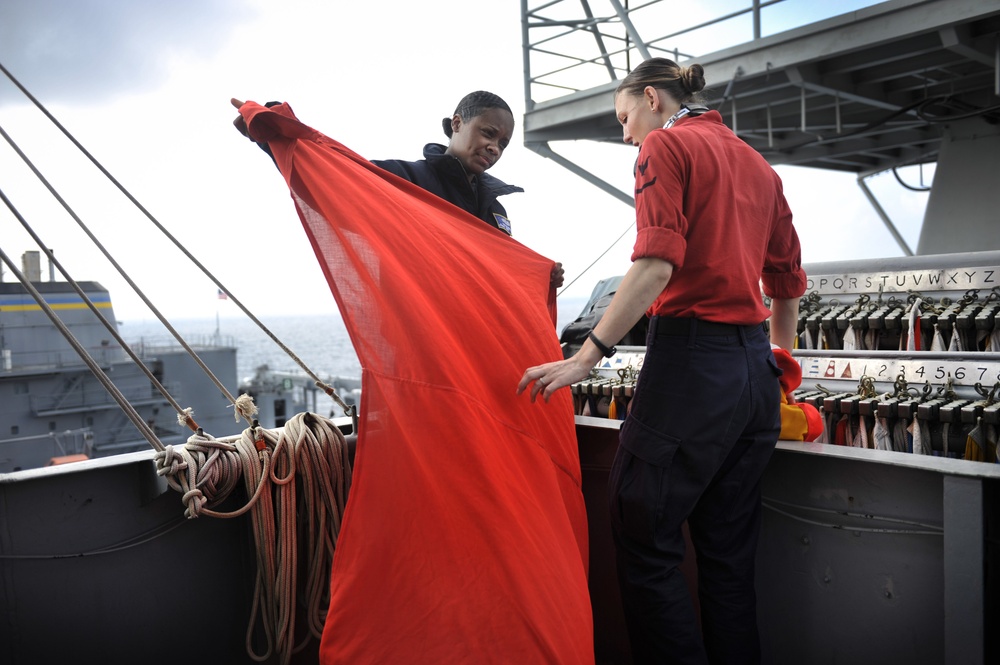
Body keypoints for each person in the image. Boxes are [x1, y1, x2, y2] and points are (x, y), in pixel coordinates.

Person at [517, 57, 806, 664]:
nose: (625, 134)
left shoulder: (663, 148)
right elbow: (784, 284)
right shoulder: (758, 165)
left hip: (691, 372)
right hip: (755, 378)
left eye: (624, 117)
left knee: (644, 539)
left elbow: (655, 265)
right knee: (728, 561)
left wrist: (585, 358)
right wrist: (778, 367)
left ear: (652, 98)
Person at [231, 91, 564, 289]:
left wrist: (538, 278)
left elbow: (498, 274)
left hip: (480, 344)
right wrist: (273, 134)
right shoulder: (405, 181)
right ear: (458, 123)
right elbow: (333, 177)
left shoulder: (495, 209)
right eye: (488, 133)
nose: (494, 148)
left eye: (503, 144)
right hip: (423, 342)